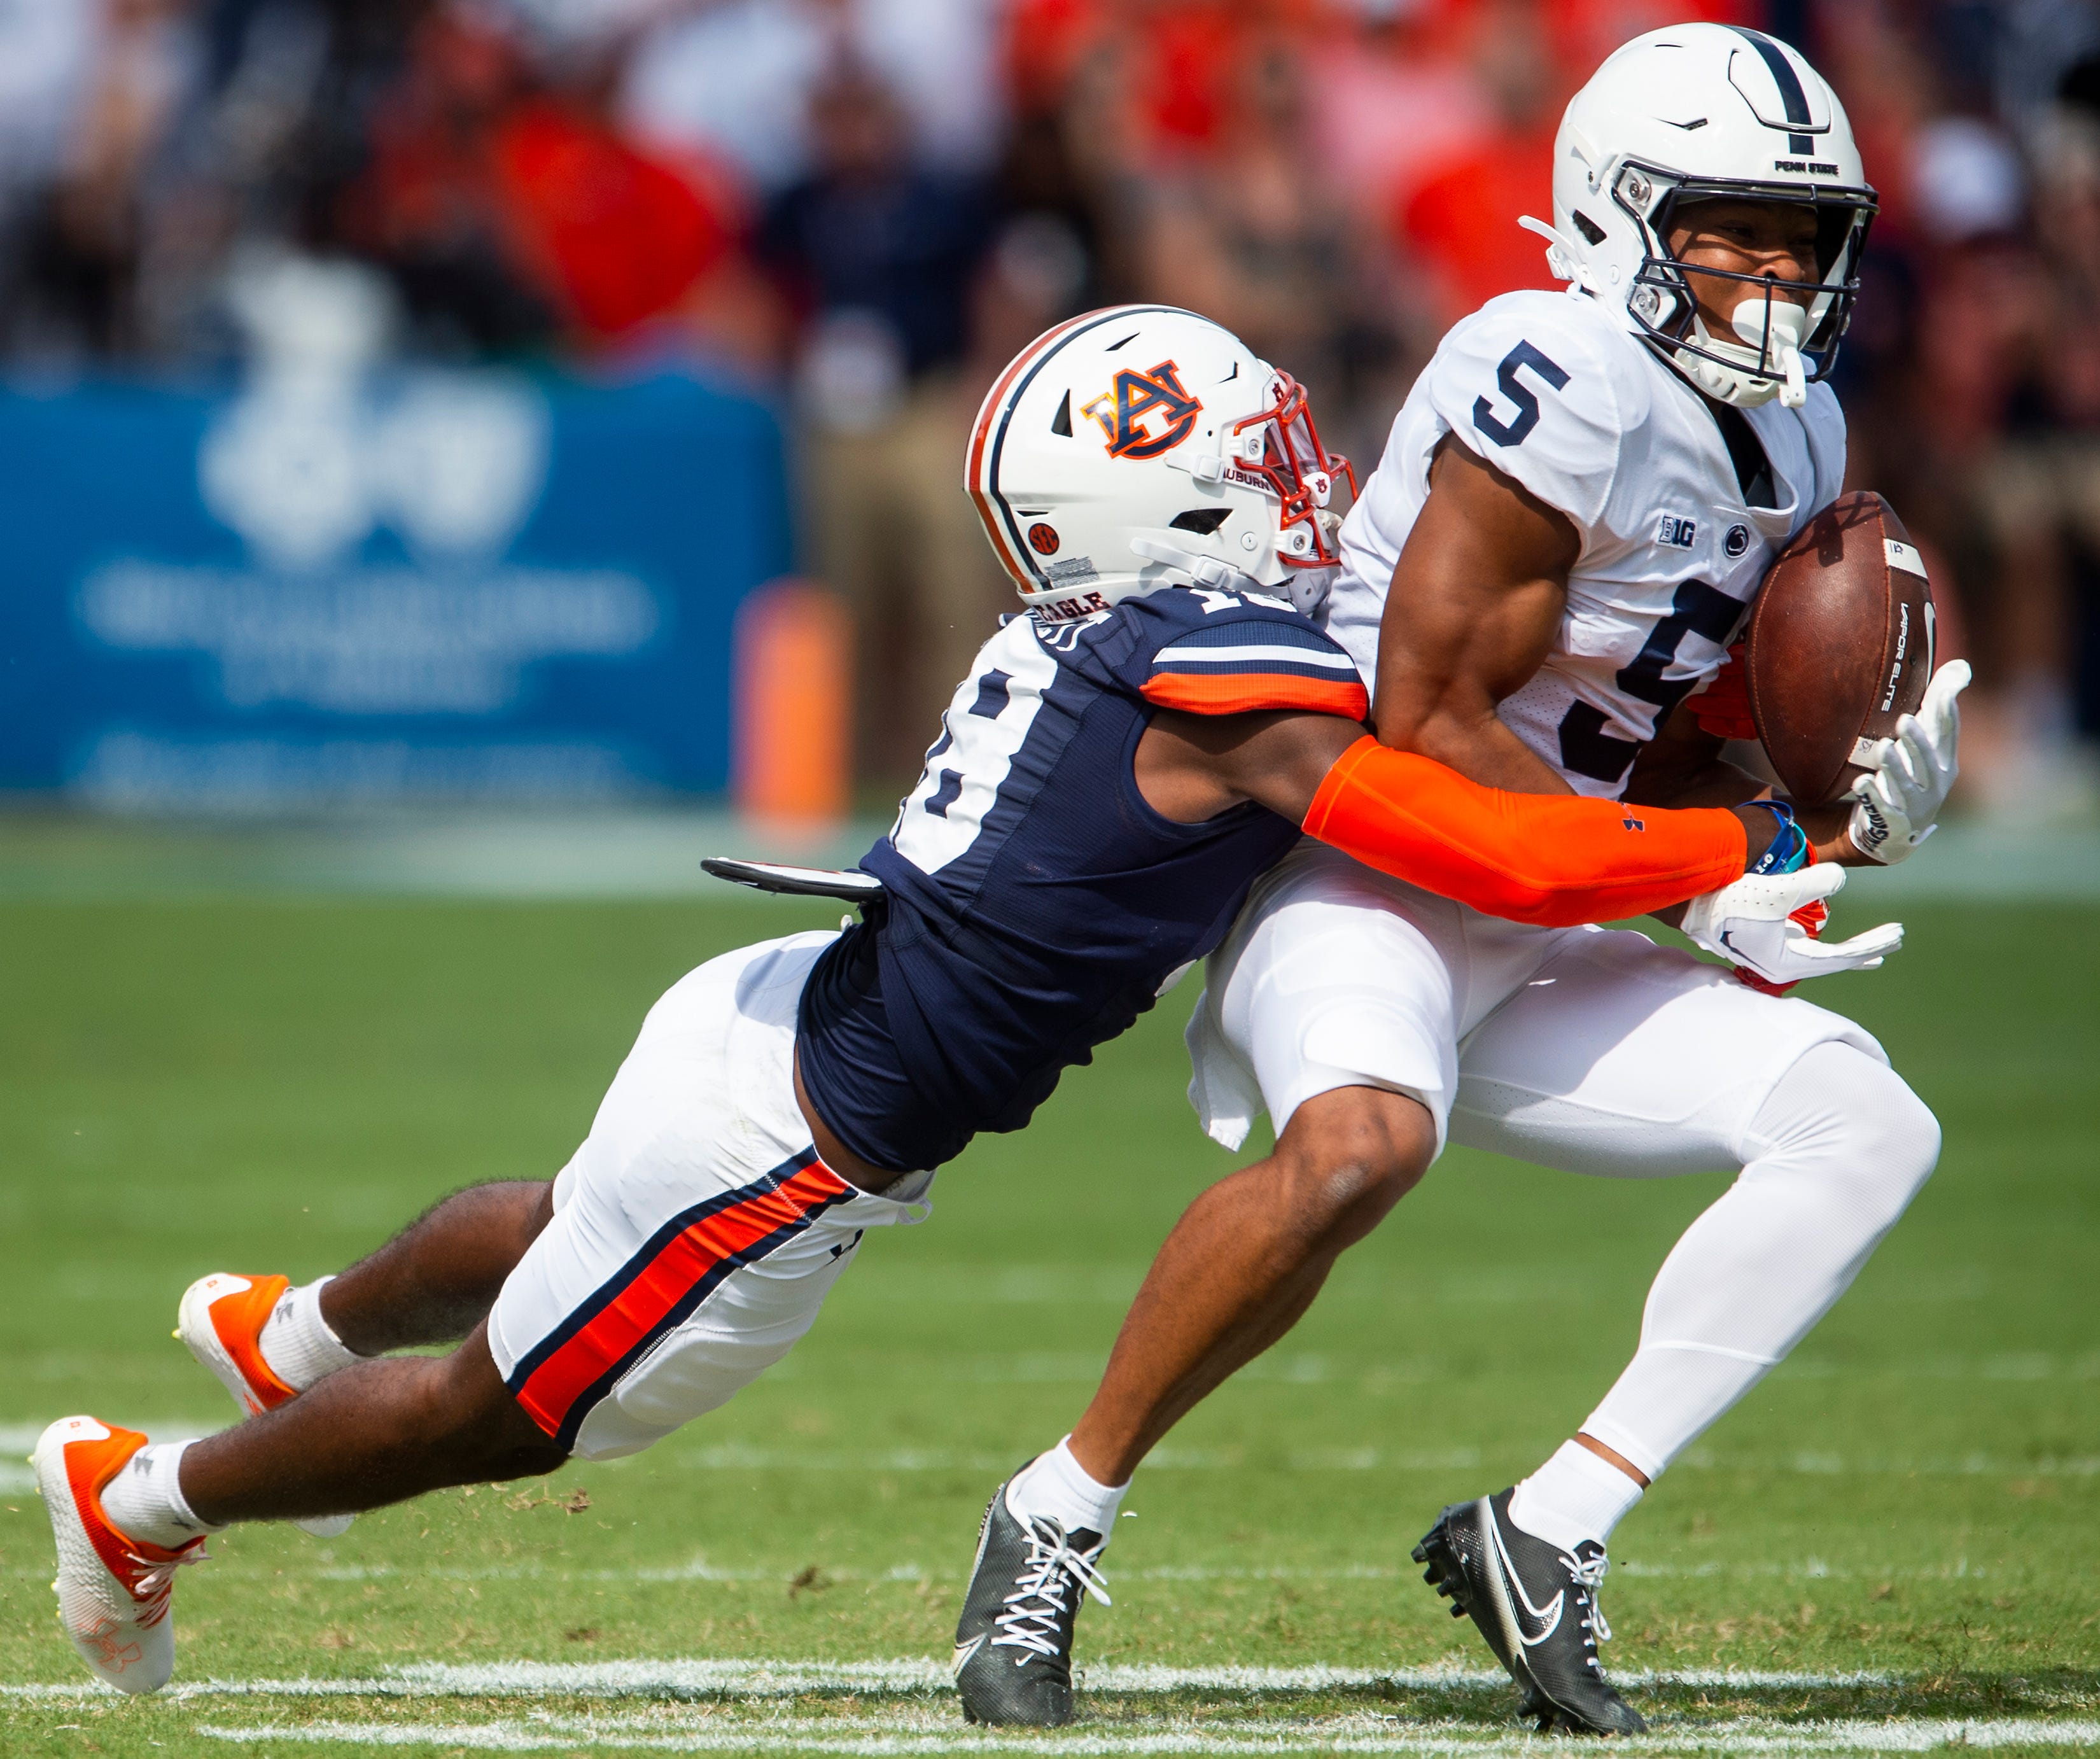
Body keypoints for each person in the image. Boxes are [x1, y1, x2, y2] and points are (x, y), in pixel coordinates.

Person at [33, 304, 1875, 1700]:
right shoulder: (1228, 683)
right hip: (795, 1137)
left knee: (570, 1218)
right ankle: (145, 1493)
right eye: (1267, 454)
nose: (1311, 479)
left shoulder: (1132, 632)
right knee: (505, 1412)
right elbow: (1495, 852)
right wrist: (1736, 832)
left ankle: (301, 1325)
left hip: (776, 1013)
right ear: (1189, 499)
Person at [955, 26, 1968, 1736]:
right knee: (1360, 1142)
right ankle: (1053, 1510)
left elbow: (1653, 722)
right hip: (1377, 872)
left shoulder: (1799, 429)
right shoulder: (1551, 368)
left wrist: (1825, 794)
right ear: (1616, 212)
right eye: (1731, 227)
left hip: (1553, 901)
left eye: (1801, 233)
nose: (1777, 271)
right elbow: (1427, 719)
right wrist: (1697, 874)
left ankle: (1546, 1529)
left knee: (1867, 1126)